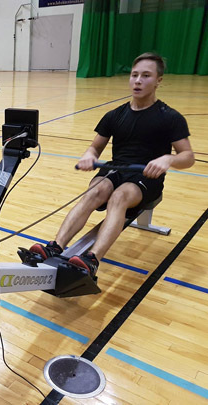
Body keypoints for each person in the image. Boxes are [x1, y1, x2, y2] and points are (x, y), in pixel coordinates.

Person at [29, 52, 195, 276]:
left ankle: (92, 259)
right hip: (117, 168)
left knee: (119, 197)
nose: (138, 81)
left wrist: (169, 159)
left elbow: (188, 157)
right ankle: (55, 246)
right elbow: (94, 147)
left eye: (146, 76)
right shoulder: (115, 115)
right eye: (134, 75)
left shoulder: (170, 117)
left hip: (146, 176)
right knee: (95, 191)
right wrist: (89, 155)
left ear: (159, 80)